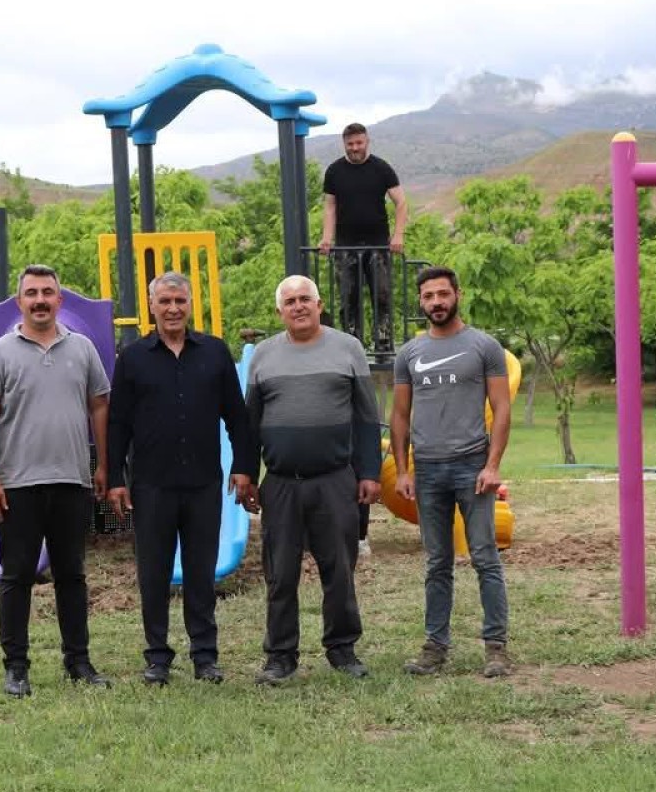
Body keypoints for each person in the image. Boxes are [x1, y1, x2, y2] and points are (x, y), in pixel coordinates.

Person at [106, 272, 258, 687]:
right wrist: (116, 478)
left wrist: (244, 466)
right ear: (151, 306)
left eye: (180, 301)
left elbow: (238, 417)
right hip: (150, 486)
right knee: (153, 574)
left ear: (190, 304)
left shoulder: (215, 352)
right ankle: (157, 657)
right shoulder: (132, 358)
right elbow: (117, 423)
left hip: (204, 484)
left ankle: (205, 656)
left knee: (200, 573)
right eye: (165, 301)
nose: (172, 309)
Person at [0, 264, 112, 697]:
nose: (40, 301)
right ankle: (16, 668)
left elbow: (99, 407)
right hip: (16, 486)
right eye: (31, 293)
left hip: (72, 482)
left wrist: (102, 466)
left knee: (72, 575)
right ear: (20, 302)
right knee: (17, 577)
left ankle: (78, 661)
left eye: (47, 293)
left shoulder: (83, 349)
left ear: (59, 300)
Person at [243, 274, 381, 685]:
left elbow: (366, 418)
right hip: (281, 483)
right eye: (290, 302)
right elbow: (250, 424)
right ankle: (280, 656)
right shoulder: (263, 355)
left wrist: (370, 473)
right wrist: (247, 474)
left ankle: (342, 649)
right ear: (279, 311)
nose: (299, 306)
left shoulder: (348, 348)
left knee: (339, 570)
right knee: (280, 574)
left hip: (335, 480)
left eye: (305, 299)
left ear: (319, 305)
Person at [390, 266, 513, 678]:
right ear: (420, 301)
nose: (436, 302)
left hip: (472, 466)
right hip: (427, 470)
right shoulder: (409, 353)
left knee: (485, 557)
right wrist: (403, 470)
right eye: (428, 296)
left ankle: (496, 648)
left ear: (457, 294)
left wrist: (492, 465)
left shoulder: (484, 346)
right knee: (437, 562)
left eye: (443, 294)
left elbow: (501, 408)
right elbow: (400, 415)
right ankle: (434, 648)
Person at [319, 122, 409, 356]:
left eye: (359, 143)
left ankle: (384, 344)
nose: (355, 148)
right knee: (348, 298)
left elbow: (401, 202)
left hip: (378, 245)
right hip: (345, 246)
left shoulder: (382, 168)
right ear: (344, 144)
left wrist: (398, 235)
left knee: (382, 294)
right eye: (350, 144)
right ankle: (353, 346)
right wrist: (326, 238)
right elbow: (330, 207)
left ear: (367, 141)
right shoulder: (334, 171)